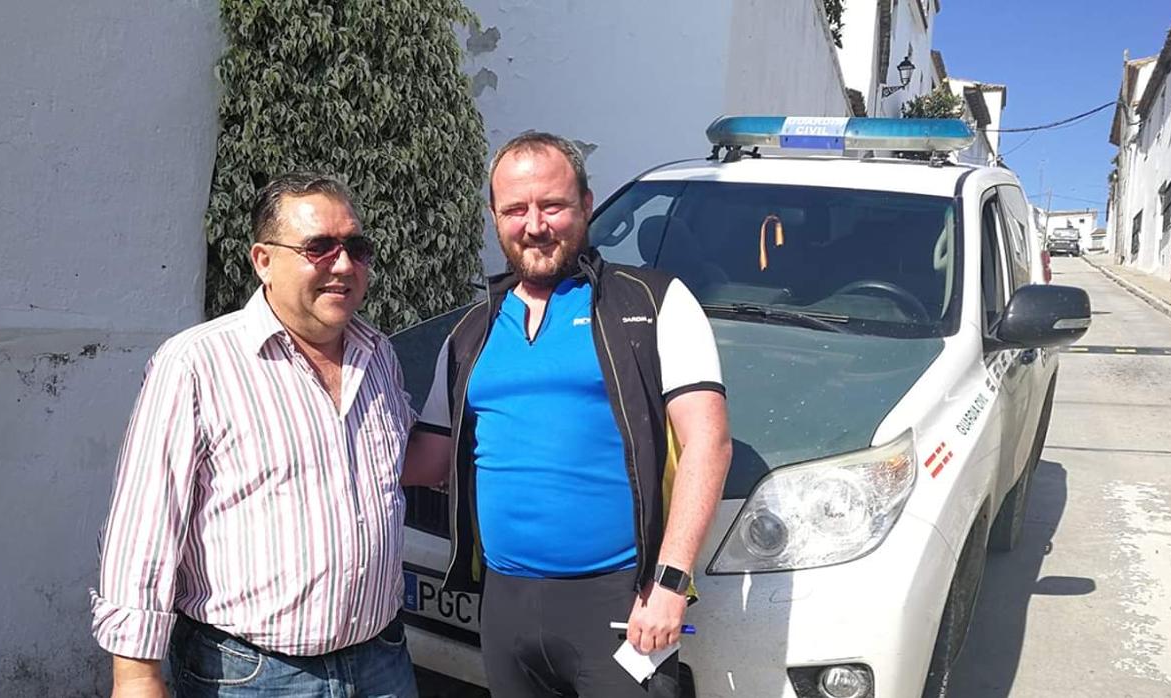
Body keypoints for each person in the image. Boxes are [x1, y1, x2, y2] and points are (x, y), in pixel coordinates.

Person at [404, 133, 733, 697]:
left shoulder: (652, 304)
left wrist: (671, 584)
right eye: (515, 209)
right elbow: (429, 459)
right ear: (494, 216)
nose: (534, 225)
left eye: (552, 205)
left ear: (585, 202)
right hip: (505, 603)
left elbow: (709, 443)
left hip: (620, 601)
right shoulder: (469, 334)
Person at [91, 173, 419, 698]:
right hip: (250, 675)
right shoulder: (197, 363)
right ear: (263, 260)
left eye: (356, 247)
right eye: (319, 248)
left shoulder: (376, 355)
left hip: (380, 661)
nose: (343, 265)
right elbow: (145, 526)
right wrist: (136, 674)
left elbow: (401, 459)